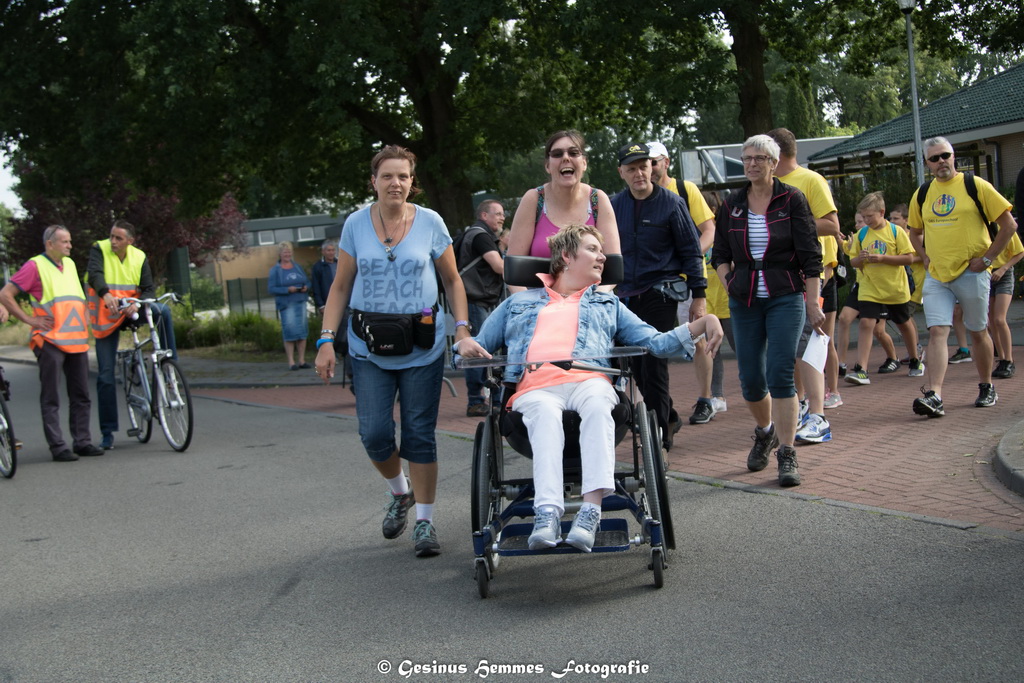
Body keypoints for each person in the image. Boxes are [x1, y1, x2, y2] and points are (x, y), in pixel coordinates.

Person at [456, 224, 723, 551]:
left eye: (601, 251)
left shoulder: (608, 304)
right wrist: (464, 344)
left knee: (598, 402)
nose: (603, 257)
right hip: (536, 388)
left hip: (590, 381)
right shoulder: (517, 303)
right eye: (593, 250)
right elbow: (477, 346)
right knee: (544, 413)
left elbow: (656, 342)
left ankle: (590, 512)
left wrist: (704, 323)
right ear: (567, 256)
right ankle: (547, 513)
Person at [313, 145, 483, 558]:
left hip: (422, 346)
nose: (395, 183)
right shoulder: (356, 224)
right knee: (373, 433)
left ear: (412, 182)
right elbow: (341, 285)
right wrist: (325, 339)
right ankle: (400, 491)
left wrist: (461, 328)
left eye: (403, 176)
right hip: (368, 346)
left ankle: (424, 522)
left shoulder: (431, 222)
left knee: (419, 435)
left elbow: (452, 281)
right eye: (387, 176)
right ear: (373, 181)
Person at [712, 135, 823, 487]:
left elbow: (811, 255)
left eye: (760, 158)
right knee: (750, 379)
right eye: (747, 158)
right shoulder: (732, 204)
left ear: (774, 163)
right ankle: (766, 431)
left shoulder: (792, 199)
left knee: (780, 373)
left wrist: (812, 302)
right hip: (744, 299)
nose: (752, 164)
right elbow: (719, 254)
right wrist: (729, 282)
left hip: (785, 295)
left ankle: (787, 453)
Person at [907, 137, 1017, 416]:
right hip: (937, 276)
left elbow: (1008, 226)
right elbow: (914, 232)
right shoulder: (922, 193)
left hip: (972, 272)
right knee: (937, 331)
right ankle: (935, 395)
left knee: (978, 331)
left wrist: (988, 259)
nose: (941, 161)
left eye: (945, 155)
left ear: (954, 156)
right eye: (934, 158)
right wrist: (925, 256)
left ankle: (987, 385)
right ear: (927, 163)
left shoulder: (976, 185)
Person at [610, 142, 706, 451]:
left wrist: (699, 296)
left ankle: (660, 435)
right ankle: (670, 415)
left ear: (652, 168)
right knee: (636, 366)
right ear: (621, 172)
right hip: (624, 296)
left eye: (643, 166)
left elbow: (692, 251)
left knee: (653, 362)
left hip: (660, 292)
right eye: (632, 169)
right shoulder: (612, 206)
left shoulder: (672, 203)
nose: (639, 173)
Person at [0, 225, 103, 462]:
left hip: (76, 340)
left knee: (81, 395)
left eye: (70, 241)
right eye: (65, 242)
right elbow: (5, 294)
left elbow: (77, 297)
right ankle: (58, 447)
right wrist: (29, 319)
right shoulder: (34, 266)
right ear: (50, 244)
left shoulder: (70, 264)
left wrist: (86, 316)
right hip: (49, 340)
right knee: (51, 397)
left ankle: (82, 442)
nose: (70, 246)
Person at [767, 128, 840, 443]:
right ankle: (799, 409)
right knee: (790, 347)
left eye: (762, 155)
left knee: (809, 342)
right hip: (778, 277)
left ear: (776, 154)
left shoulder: (810, 180)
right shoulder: (766, 187)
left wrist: (788, 222)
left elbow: (832, 225)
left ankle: (819, 417)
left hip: (808, 276)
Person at [85, 219, 178, 450]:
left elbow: (148, 289)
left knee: (163, 312)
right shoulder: (99, 249)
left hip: (130, 310)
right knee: (105, 375)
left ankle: (169, 367)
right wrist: (106, 294)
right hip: (107, 316)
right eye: (111, 236)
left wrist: (137, 304)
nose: (113, 241)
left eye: (118, 238)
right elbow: (94, 275)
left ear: (130, 240)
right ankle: (107, 433)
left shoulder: (139, 256)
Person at [647, 140, 719, 425]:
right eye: (645, 163)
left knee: (698, 339)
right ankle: (659, 406)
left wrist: (688, 256)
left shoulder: (685, 190)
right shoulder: (638, 196)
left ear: (666, 162)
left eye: (654, 162)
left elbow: (709, 230)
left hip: (687, 282)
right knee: (652, 344)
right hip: (654, 285)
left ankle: (705, 399)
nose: (649, 168)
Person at [844, 192, 924, 386]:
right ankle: (861, 369)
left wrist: (883, 258)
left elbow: (908, 258)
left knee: (903, 323)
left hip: (894, 288)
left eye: (870, 216)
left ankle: (915, 359)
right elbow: (853, 261)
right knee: (866, 323)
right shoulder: (862, 234)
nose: (866, 220)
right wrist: (860, 259)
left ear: (881, 212)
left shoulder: (896, 232)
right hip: (870, 287)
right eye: (864, 217)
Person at [506, 130, 619, 260]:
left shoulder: (598, 200)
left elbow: (613, 264)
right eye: (557, 154)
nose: (566, 158)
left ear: (584, 163)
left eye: (573, 153)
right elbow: (514, 265)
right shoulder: (533, 199)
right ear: (547, 166)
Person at [457, 199, 506, 416]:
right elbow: (498, 266)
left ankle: (488, 399)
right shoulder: (481, 236)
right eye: (498, 213)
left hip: (476, 299)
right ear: (484, 215)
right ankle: (477, 401)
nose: (502, 217)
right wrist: (526, 269)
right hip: (475, 299)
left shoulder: (477, 234)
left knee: (481, 349)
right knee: (479, 350)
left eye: (503, 214)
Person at [268, 241, 311, 370]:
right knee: (290, 332)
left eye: (289, 252)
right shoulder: (275, 270)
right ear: (280, 254)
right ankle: (291, 362)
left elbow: (307, 282)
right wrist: (287, 290)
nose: (287, 254)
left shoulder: (297, 267)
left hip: (300, 303)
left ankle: (302, 360)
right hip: (287, 305)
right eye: (285, 252)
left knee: (302, 332)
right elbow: (271, 288)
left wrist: (306, 287)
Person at [988, 230, 1023, 379]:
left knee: (999, 319)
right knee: (991, 323)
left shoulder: (1005, 227)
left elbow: (1019, 252)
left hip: (1004, 274)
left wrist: (1004, 268)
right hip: (986, 274)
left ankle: (1009, 360)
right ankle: (1002, 359)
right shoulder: (978, 228)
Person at [310, 239, 338, 315]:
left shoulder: (339, 264)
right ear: (323, 251)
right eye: (329, 250)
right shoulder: (318, 267)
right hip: (327, 303)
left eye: (333, 250)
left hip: (342, 302)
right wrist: (321, 305)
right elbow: (316, 287)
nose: (331, 253)